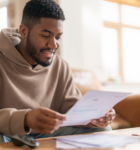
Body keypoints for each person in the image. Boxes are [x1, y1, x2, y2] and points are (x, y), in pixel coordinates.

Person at [0, 0, 115, 143]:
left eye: (58, 37)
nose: (54, 45)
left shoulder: (61, 66)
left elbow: (72, 112)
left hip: (45, 134)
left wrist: (95, 118)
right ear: (23, 31)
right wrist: (25, 119)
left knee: (102, 130)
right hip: (7, 135)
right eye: (45, 35)